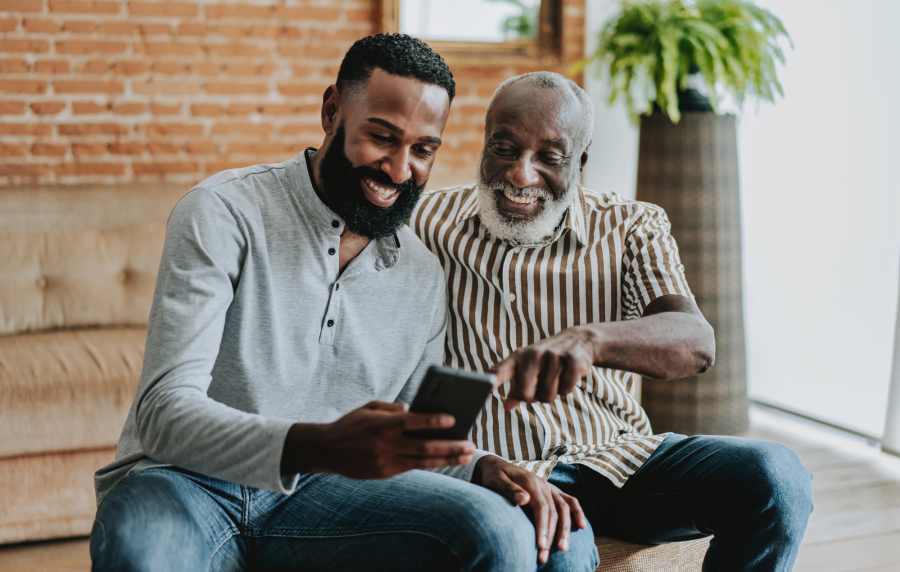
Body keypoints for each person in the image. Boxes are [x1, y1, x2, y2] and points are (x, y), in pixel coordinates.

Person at [91, 36, 589, 572]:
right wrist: (321, 444)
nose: (399, 170)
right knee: (143, 551)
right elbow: (163, 415)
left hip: (321, 497)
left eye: (423, 150)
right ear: (332, 111)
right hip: (184, 483)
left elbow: (412, 440)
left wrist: (482, 466)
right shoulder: (224, 212)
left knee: (497, 529)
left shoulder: (421, 273)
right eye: (382, 137)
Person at [412, 71, 814, 571]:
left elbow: (694, 341)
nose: (521, 174)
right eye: (504, 149)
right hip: (508, 472)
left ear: (581, 161)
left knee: (777, 478)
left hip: (621, 459)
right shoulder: (426, 222)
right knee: (561, 549)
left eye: (550, 157)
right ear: (485, 141)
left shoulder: (630, 225)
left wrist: (590, 340)